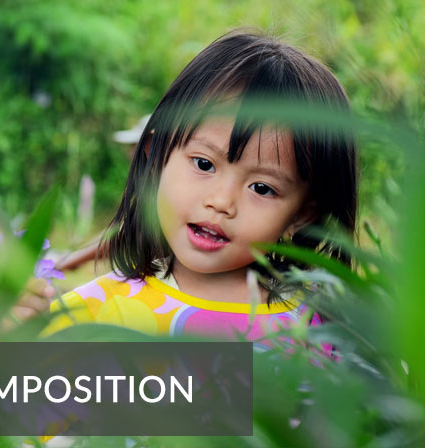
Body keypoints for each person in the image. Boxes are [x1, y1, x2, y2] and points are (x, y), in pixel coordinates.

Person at [42, 31, 358, 343]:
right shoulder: (90, 316)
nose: (221, 202)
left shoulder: (322, 327)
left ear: (302, 213)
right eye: (204, 164)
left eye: (261, 188)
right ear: (157, 155)